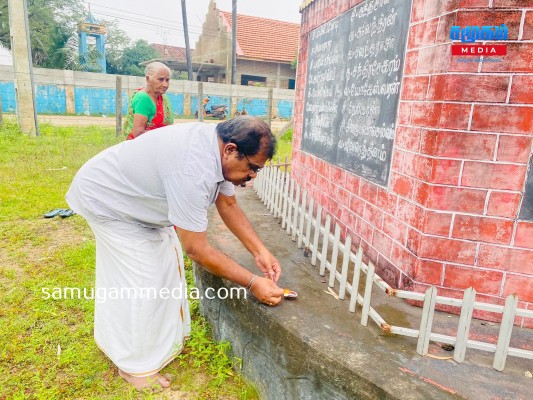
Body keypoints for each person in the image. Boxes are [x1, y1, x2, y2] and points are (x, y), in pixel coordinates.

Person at [66, 116, 284, 391]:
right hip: (108, 201)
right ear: (231, 149)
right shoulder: (193, 170)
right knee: (144, 280)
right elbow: (196, 249)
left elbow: (227, 204)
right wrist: (253, 283)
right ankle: (134, 366)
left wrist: (260, 251)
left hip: (137, 198)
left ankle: (161, 341)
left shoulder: (216, 151)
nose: (252, 176)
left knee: (165, 267)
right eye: (252, 168)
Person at [122, 61, 174, 140]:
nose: (165, 84)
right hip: (141, 146)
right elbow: (138, 133)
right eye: (161, 79)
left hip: (159, 144)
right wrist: (164, 134)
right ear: (148, 79)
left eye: (167, 80)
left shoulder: (164, 98)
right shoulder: (143, 98)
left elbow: (170, 126)